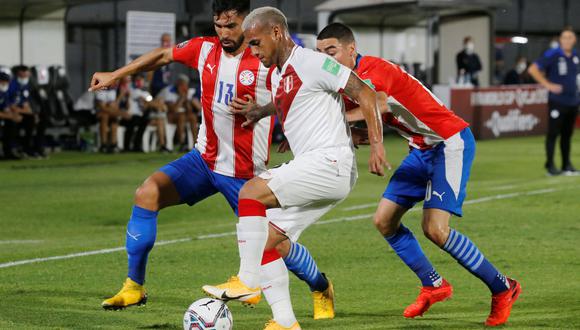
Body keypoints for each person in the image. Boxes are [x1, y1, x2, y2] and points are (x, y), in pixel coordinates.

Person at [89, 1, 336, 320]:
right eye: (218, 26)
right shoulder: (204, 50)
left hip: (245, 174)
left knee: (274, 244)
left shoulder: (266, 57)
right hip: (203, 161)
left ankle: (319, 285)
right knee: (147, 193)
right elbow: (163, 56)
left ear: (247, 23)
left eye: (231, 26)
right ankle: (134, 287)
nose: (223, 33)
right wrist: (116, 75)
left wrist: (267, 111)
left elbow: (295, 91)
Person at [315, 22, 521, 327]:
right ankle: (434, 284)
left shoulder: (373, 70)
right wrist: (355, 133)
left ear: (351, 50)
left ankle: (503, 287)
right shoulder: (344, 83)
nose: (325, 60)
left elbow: (379, 102)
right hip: (421, 148)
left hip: (450, 142)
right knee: (384, 221)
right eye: (320, 54)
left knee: (435, 229)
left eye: (331, 51)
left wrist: (341, 123)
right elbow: (379, 116)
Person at [201, 8, 385, 330]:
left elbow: (366, 93)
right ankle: (285, 321)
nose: (254, 52)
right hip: (315, 164)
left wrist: (378, 145)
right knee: (267, 239)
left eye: (256, 44)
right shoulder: (277, 74)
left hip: (330, 162)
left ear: (276, 33)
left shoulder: (313, 62)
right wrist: (263, 112)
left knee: (250, 193)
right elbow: (289, 98)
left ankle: (246, 281)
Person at [528, 27, 580, 176]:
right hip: (557, 101)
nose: (567, 40)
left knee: (567, 135)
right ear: (560, 40)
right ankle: (550, 166)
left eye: (570, 37)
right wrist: (547, 85)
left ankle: (566, 165)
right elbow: (532, 69)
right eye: (564, 37)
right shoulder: (553, 54)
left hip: (573, 102)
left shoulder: (576, 56)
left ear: (574, 40)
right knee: (553, 134)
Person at [157, 74, 198, 151]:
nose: (184, 87)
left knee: (192, 117)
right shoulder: (169, 90)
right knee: (181, 116)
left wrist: (186, 99)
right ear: (178, 84)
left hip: (180, 115)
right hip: (167, 115)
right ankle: (182, 143)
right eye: (182, 85)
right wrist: (181, 98)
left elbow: (189, 110)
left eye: (185, 85)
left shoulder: (187, 92)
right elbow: (173, 109)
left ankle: (195, 144)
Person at [9, 65, 42, 158]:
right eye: (22, 76)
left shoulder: (26, 86)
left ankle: (28, 148)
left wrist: (34, 114)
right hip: (10, 112)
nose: (24, 78)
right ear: (17, 75)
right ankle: (12, 149)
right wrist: (15, 113)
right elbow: (9, 104)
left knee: (34, 119)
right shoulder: (12, 85)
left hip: (19, 111)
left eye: (26, 76)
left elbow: (25, 103)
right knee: (12, 123)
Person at [0, 72, 23, 159]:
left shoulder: (3, 92)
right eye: (3, 81)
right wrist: (11, 116)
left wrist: (14, 115)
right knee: (10, 119)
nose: (6, 84)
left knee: (11, 123)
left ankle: (8, 152)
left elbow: (6, 108)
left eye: (7, 82)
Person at [95, 85, 124, 153]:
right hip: (96, 114)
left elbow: (115, 106)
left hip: (110, 113)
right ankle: (103, 144)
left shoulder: (114, 91)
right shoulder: (100, 90)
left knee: (114, 119)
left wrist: (119, 98)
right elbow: (102, 107)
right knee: (104, 117)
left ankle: (113, 145)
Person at [148, 33, 174, 97]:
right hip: (157, 87)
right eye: (164, 41)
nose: (166, 43)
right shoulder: (157, 54)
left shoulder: (173, 54)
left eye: (168, 41)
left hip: (168, 87)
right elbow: (150, 73)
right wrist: (149, 88)